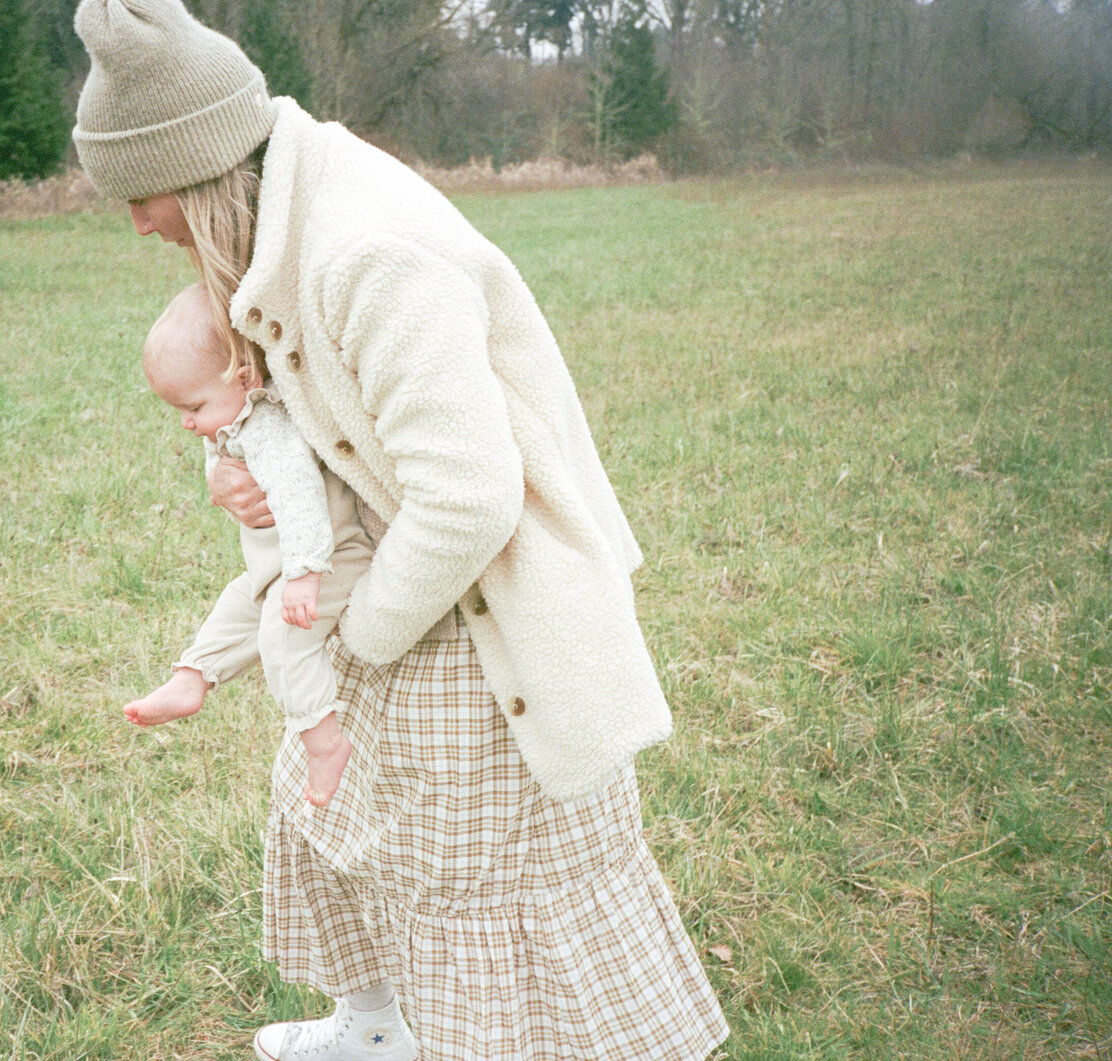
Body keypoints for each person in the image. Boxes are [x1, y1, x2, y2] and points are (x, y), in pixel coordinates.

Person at [73, 1, 731, 1058]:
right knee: (337, 811)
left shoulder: (364, 252)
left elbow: (471, 499)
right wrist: (240, 476)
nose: (138, 226)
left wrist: (356, 633)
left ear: (197, 172)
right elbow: (291, 404)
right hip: (397, 567)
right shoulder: (281, 213)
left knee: (468, 870)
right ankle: (373, 1027)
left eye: (140, 197)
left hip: (483, 601)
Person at [125, 283, 375, 808]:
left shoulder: (270, 430)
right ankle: (194, 675)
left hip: (331, 559)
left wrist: (306, 572)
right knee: (236, 608)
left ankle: (323, 739)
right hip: (277, 570)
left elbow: (302, 496)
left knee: (285, 639)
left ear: (245, 379)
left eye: (193, 406)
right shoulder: (236, 417)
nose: (188, 423)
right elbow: (219, 449)